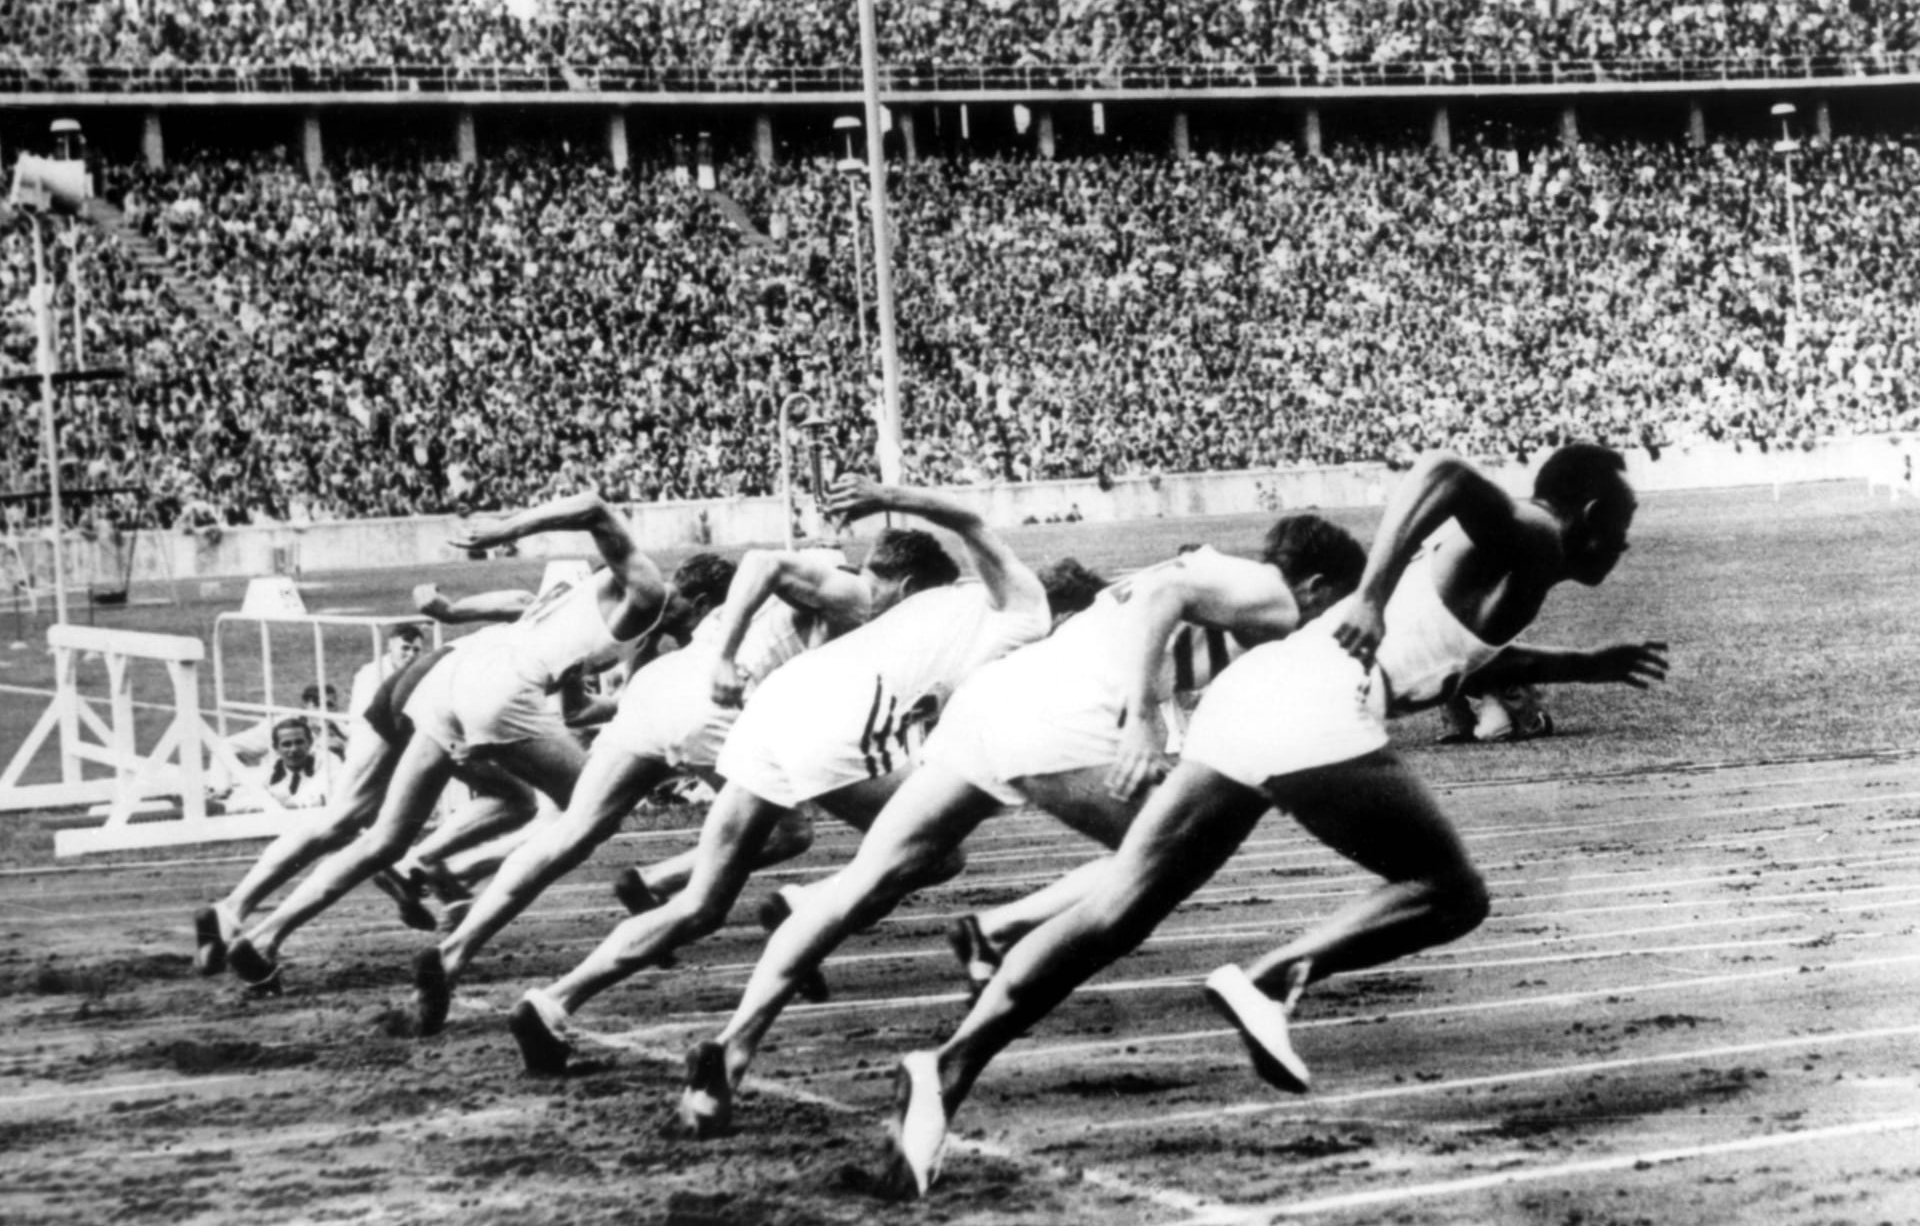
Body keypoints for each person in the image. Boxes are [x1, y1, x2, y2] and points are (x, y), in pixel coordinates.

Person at [878, 444, 1670, 1198]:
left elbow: (1448, 656)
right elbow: (1445, 471)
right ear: (1593, 511)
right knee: (1450, 893)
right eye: (1625, 529)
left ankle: (947, 1068)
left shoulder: (1510, 569)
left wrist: (1585, 665)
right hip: (1314, 705)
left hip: (1252, 697)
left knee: (1118, 907)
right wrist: (1368, 591)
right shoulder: (1532, 530)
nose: (1625, 548)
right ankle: (1273, 977)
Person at [677, 515, 1368, 1135]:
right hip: (1063, 719)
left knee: (863, 881)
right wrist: (1140, 717)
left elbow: (1163, 623)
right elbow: (1167, 601)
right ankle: (998, 938)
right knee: (1153, 863)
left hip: (997, 702)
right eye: (1336, 604)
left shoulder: (1219, 581)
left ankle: (734, 1045)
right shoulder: (1272, 592)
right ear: (1315, 584)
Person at [504, 475, 1052, 1083]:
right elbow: (969, 519)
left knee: (700, 905)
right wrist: (885, 496)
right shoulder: (1024, 604)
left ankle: (553, 1001)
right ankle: (787, 938)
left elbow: (949, 690)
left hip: (771, 708)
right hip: (834, 719)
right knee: (936, 854)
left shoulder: (935, 613)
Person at [408, 533, 925, 1035]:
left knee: (570, 833)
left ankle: (454, 951)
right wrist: (729, 661)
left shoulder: (747, 609)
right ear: (905, 586)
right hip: (713, 708)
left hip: (658, 690)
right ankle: (781, 913)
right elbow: (767, 565)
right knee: (783, 839)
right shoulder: (851, 592)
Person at [221, 492, 730, 1000]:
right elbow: (594, 507)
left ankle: (266, 938)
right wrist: (506, 531)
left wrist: (572, 685)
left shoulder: (627, 625)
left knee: (386, 840)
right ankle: (460, 925)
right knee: (583, 818)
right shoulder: (645, 591)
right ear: (702, 603)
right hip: (502, 690)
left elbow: (579, 711)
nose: (697, 636)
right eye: (706, 622)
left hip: (458, 676)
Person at [191, 585, 535, 977]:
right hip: (450, 698)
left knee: (343, 817)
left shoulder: (552, 604)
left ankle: (232, 909)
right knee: (518, 801)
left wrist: (452, 609)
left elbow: (519, 602)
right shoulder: (588, 623)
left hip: (418, 678)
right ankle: (419, 864)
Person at [349, 624, 426, 717]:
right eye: (405, 648)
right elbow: (365, 717)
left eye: (416, 650)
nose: (411, 654)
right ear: (390, 646)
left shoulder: (419, 672)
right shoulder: (372, 674)